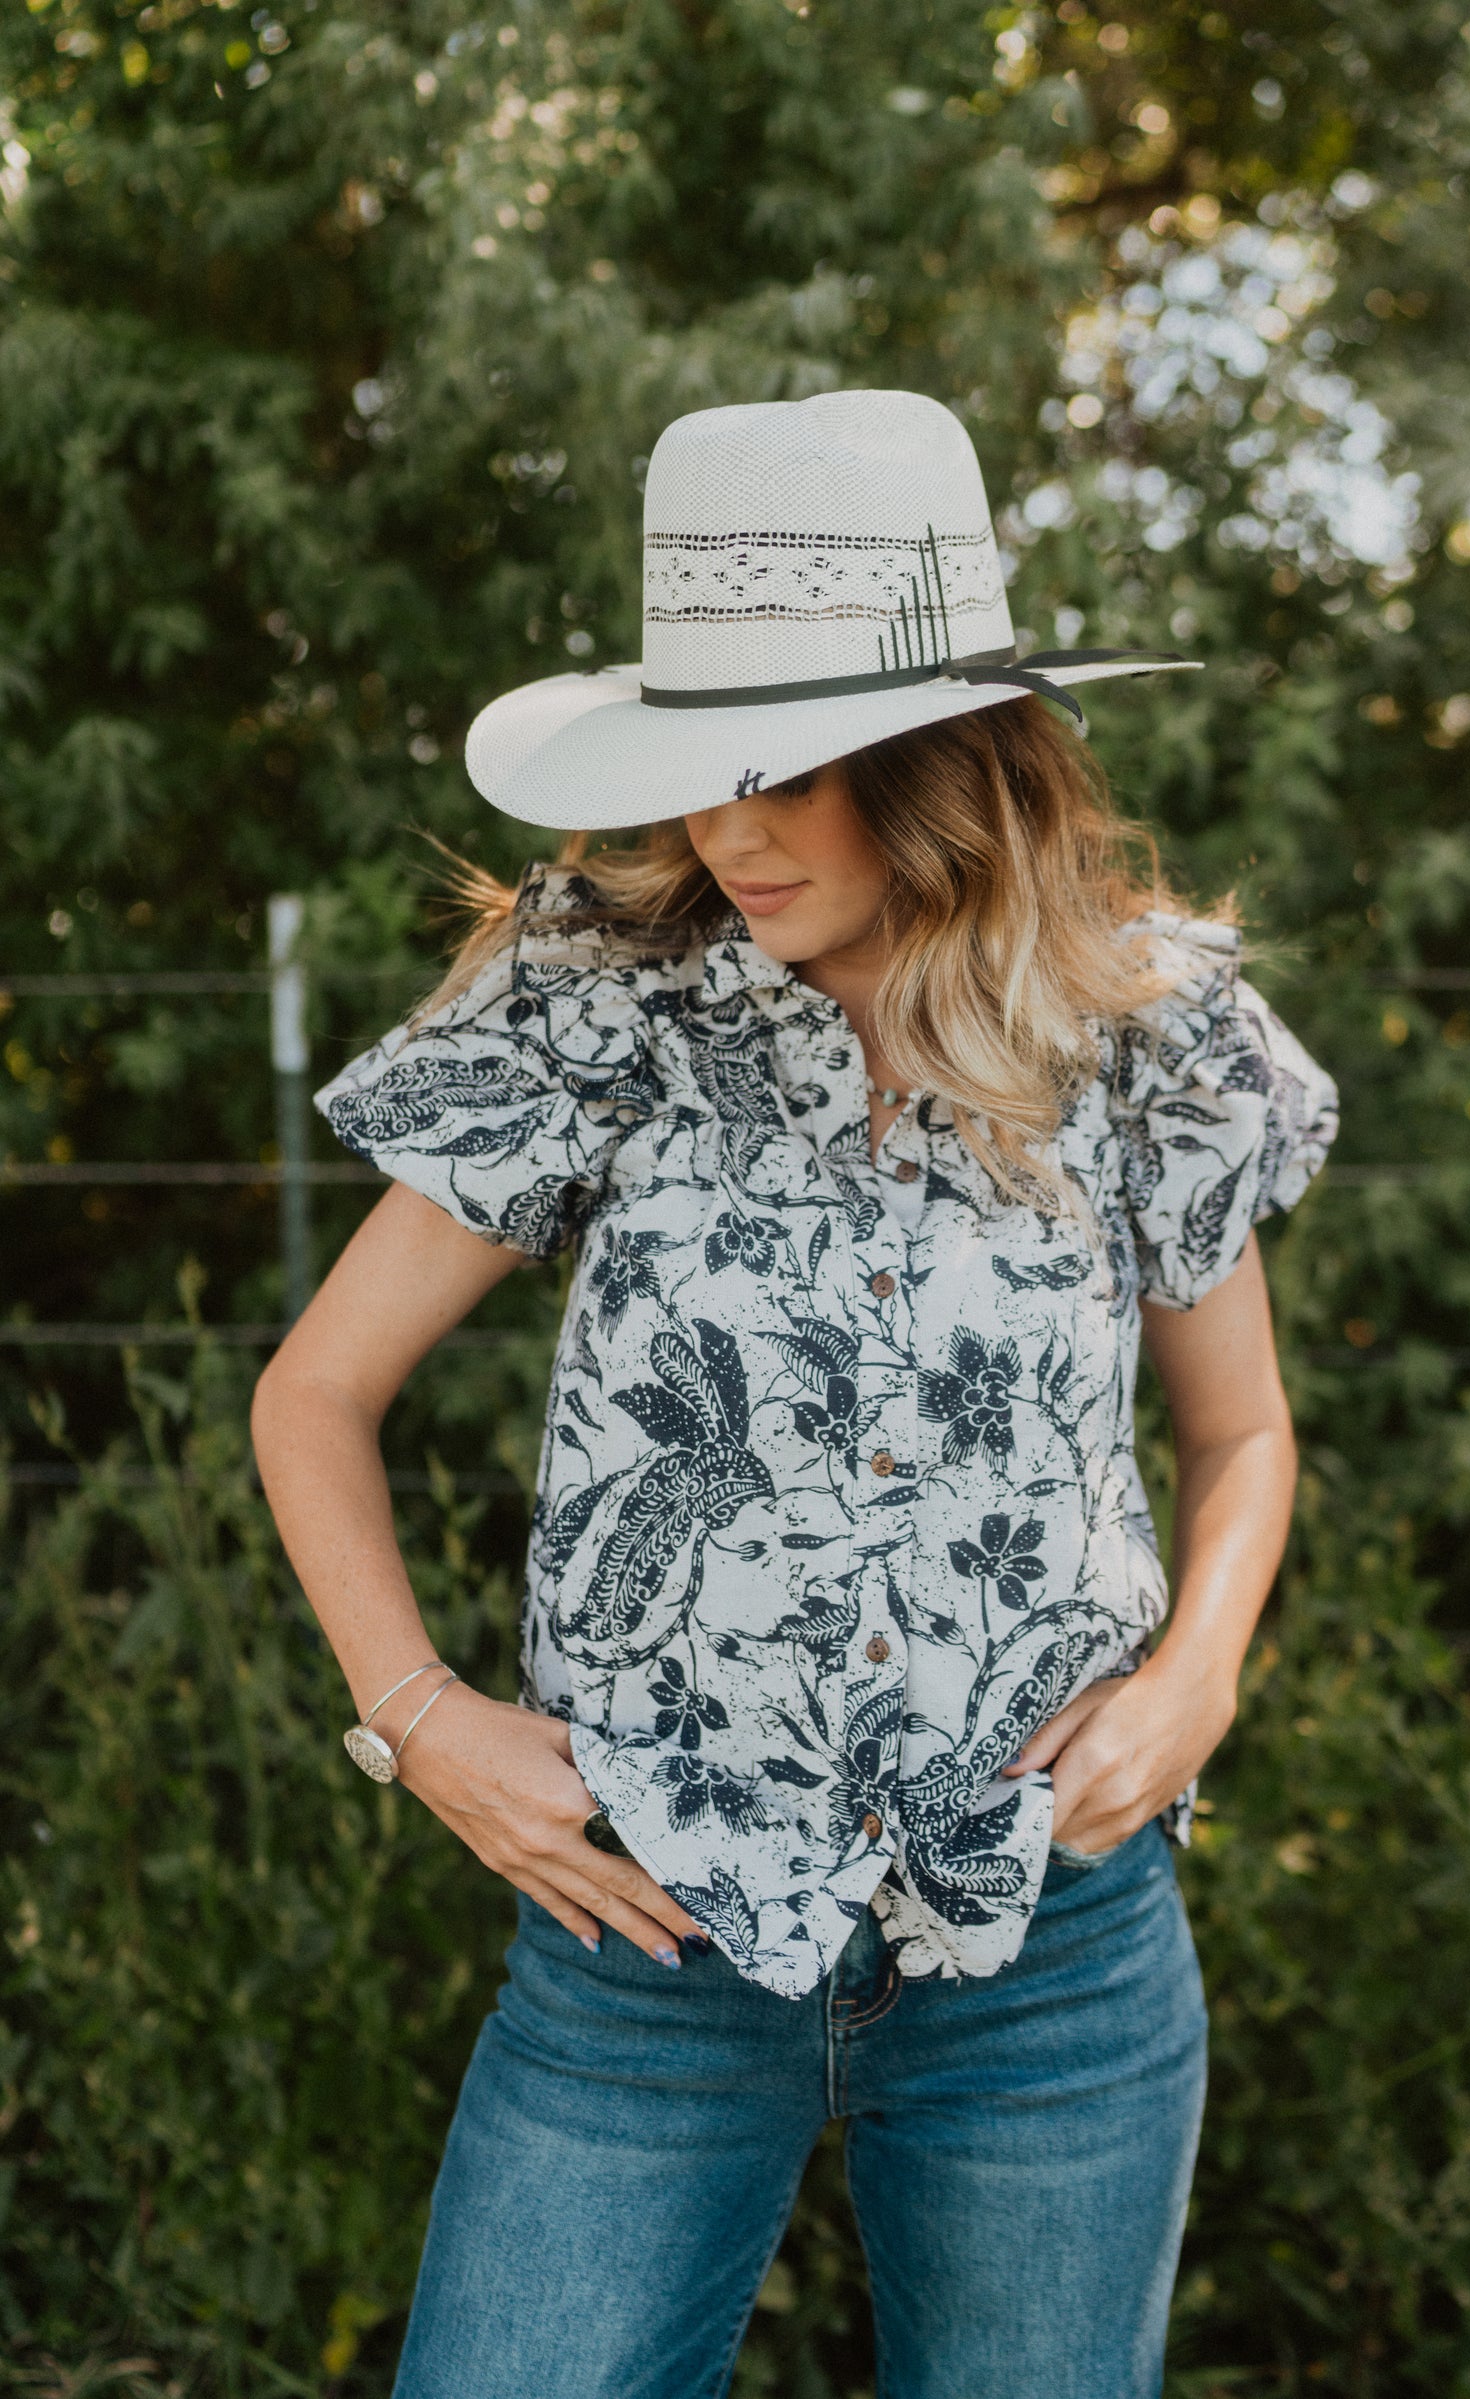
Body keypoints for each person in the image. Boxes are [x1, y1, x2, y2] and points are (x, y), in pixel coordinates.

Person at [252, 389, 1338, 2399]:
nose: (725, 833)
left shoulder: (1144, 1030)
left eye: (782, 773)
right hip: (641, 1952)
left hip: (1050, 1958)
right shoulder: (597, 998)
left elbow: (1243, 1430)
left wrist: (1194, 1684)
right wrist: (421, 1724)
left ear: (943, 765)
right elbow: (314, 1392)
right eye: (697, 773)